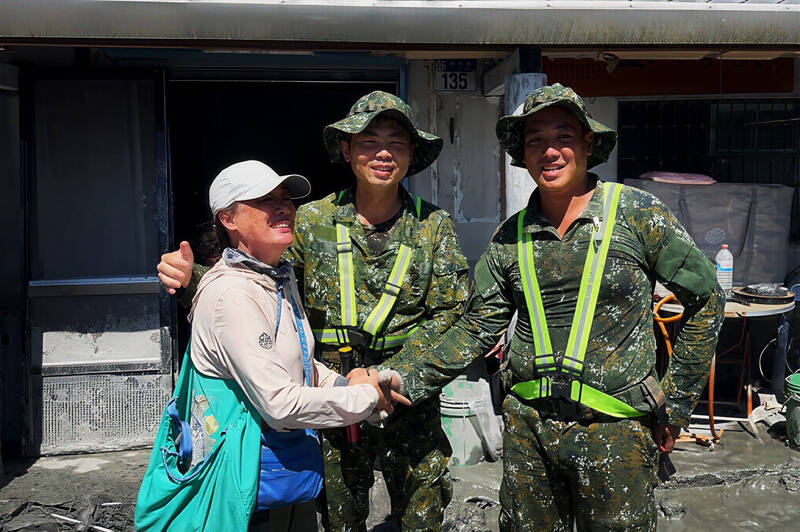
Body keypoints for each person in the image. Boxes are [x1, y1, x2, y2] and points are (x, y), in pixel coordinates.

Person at [374, 83, 725, 531]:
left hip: (615, 431)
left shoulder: (636, 214)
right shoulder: (509, 237)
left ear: (588, 144)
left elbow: (707, 298)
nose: (550, 151)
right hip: (528, 433)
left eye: (563, 136)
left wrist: (674, 405)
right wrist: (402, 376)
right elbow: (478, 327)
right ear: (522, 153)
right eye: (535, 140)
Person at [157, 92, 469, 531]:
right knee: (339, 521)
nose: (383, 153)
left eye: (397, 142)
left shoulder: (434, 227)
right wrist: (193, 278)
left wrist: (392, 376)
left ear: (412, 153)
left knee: (422, 518)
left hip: (406, 399)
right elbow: (259, 289)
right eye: (369, 140)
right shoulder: (311, 220)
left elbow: (452, 317)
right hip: (329, 407)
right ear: (345, 149)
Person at [180, 160, 407, 531]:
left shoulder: (275, 279)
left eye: (285, 198)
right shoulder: (231, 294)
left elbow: (300, 364)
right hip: (242, 489)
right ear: (228, 219)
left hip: (277, 480)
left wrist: (350, 383)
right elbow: (280, 403)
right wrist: (365, 400)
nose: (283, 207)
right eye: (265, 200)